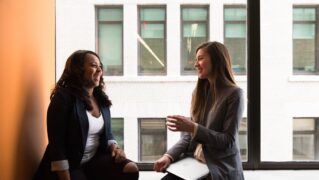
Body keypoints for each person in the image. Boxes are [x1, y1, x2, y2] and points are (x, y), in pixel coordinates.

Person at [33, 50, 139, 180]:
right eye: (94, 66)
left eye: (100, 67)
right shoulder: (63, 98)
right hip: (70, 165)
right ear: (78, 69)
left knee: (130, 169)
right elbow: (57, 145)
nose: (99, 70)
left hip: (94, 160)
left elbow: (107, 133)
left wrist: (115, 147)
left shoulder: (101, 99)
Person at [154, 41, 245, 180]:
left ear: (216, 60)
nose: (196, 64)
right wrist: (168, 156)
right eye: (196, 60)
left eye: (201, 58)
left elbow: (228, 141)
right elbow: (189, 136)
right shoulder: (200, 92)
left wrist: (194, 127)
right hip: (194, 162)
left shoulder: (234, 94)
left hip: (218, 165)